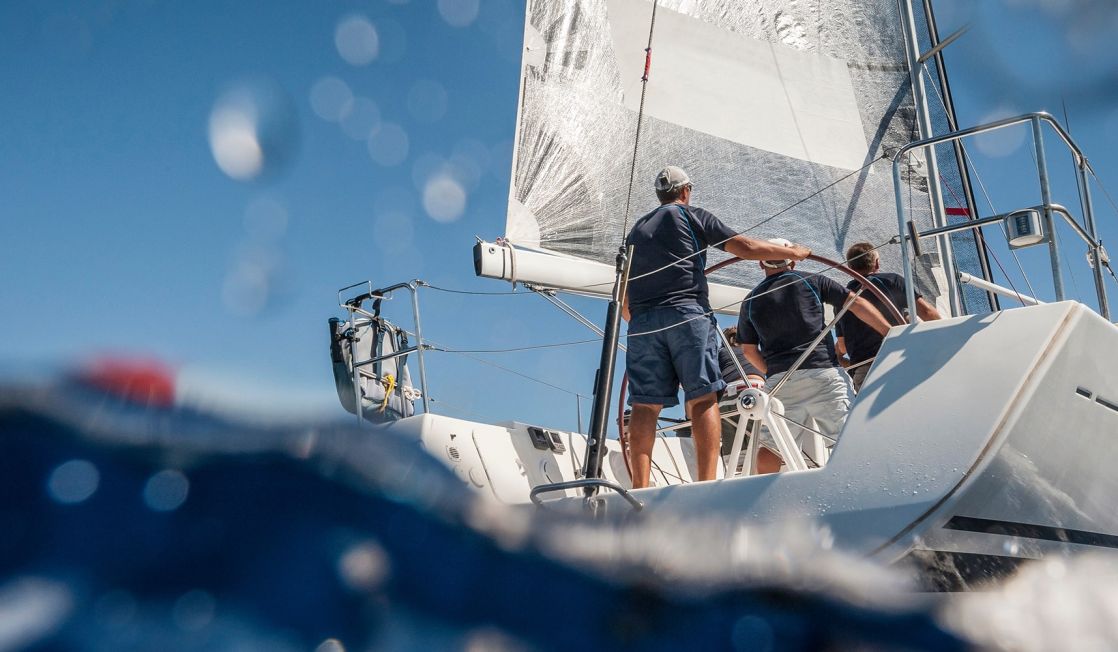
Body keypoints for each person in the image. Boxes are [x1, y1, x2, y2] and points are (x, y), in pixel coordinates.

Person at [622, 166, 810, 488]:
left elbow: (624, 295)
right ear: (686, 191)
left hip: (641, 323)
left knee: (644, 405)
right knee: (702, 397)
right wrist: (793, 252)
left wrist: (646, 323)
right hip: (687, 315)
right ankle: (706, 483)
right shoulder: (692, 216)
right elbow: (747, 248)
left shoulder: (636, 230)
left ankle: (640, 487)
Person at [737, 240, 891, 472]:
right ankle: (863, 490)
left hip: (781, 381)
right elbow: (856, 303)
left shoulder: (750, 300)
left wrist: (771, 373)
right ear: (792, 260)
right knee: (849, 436)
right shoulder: (812, 280)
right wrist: (890, 333)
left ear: (761, 263)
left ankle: (765, 499)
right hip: (824, 374)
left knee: (772, 446)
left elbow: (748, 350)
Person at [836, 242, 942, 391]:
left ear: (850, 268)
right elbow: (926, 313)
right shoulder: (892, 280)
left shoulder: (842, 297)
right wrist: (949, 335)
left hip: (864, 372)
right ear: (877, 263)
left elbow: (842, 346)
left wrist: (843, 359)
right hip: (897, 361)